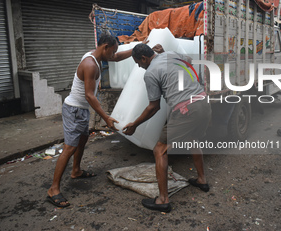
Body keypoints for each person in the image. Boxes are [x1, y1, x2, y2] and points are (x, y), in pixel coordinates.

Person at [46, 34, 143, 208]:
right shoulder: (90, 64)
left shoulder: (97, 55)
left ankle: (76, 171)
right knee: (69, 148)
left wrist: (137, 49)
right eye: (112, 51)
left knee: (82, 140)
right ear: (105, 47)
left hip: (81, 110)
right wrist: (106, 117)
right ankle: (53, 189)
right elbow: (89, 96)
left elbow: (119, 57)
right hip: (74, 110)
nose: (114, 55)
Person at [123, 44, 211, 213]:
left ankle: (163, 200)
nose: (139, 66)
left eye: (138, 63)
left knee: (160, 149)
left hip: (187, 110)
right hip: (203, 102)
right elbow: (190, 61)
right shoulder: (171, 54)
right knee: (193, 139)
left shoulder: (150, 73)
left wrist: (134, 124)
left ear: (143, 58)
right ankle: (202, 179)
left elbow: (153, 107)